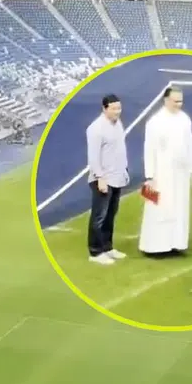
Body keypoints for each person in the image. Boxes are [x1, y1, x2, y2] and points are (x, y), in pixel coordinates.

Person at [138, 86, 192, 257]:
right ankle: (155, 246)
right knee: (160, 206)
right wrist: (149, 175)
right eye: (175, 101)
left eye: (181, 101)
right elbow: (149, 150)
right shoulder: (155, 122)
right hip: (161, 173)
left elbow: (189, 143)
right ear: (166, 100)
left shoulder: (185, 119)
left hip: (180, 173)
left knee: (179, 207)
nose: (178, 104)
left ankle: (176, 243)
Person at [86, 94, 129, 265]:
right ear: (105, 108)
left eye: (119, 108)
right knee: (99, 216)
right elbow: (93, 156)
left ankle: (108, 247)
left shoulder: (118, 124)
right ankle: (95, 252)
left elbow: (119, 149)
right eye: (114, 109)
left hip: (117, 176)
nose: (118, 112)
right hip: (103, 179)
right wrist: (99, 177)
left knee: (111, 214)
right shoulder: (96, 129)